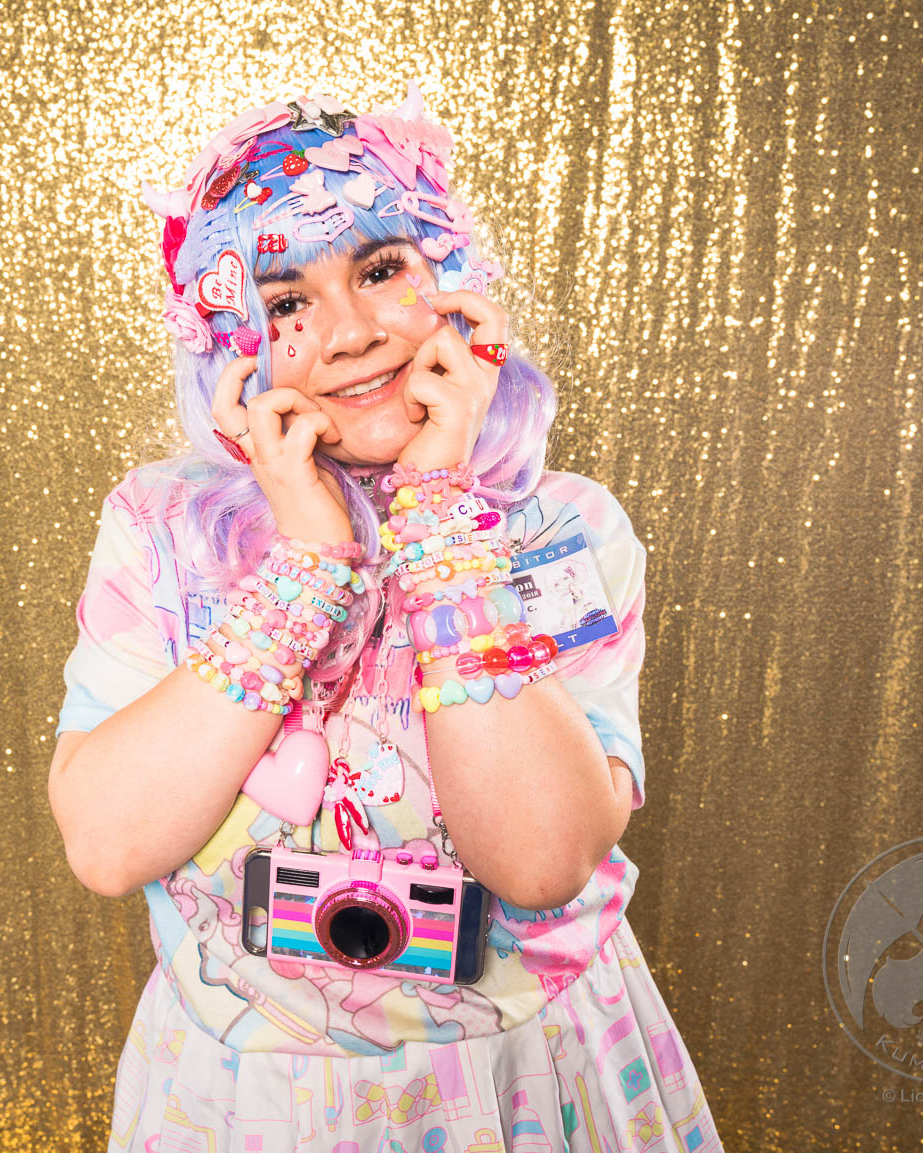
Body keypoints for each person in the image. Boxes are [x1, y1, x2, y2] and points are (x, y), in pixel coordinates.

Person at [48, 83, 725, 1153]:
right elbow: (107, 843)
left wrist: (441, 515)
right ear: (228, 344)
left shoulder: (563, 529)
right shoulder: (161, 527)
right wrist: (306, 565)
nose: (354, 334)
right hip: (248, 1092)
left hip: (525, 1070)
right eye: (286, 301)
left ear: (452, 282)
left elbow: (541, 859)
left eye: (378, 271)